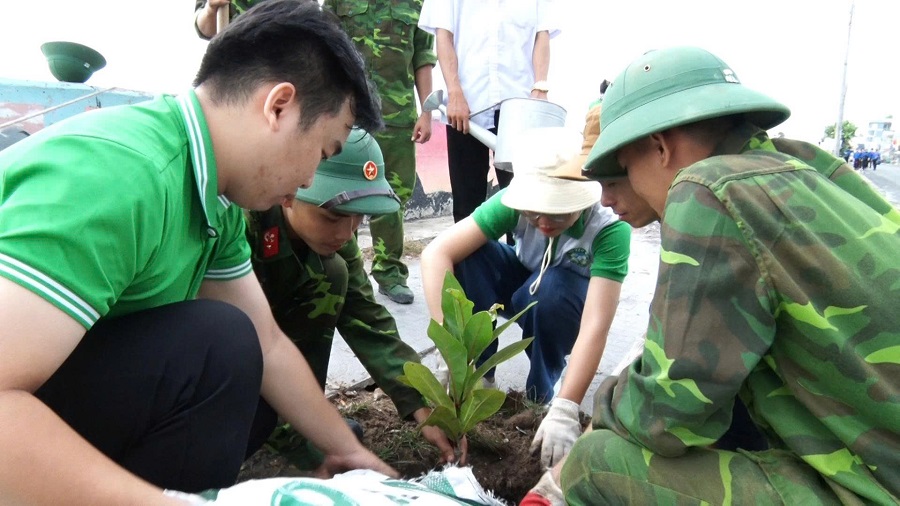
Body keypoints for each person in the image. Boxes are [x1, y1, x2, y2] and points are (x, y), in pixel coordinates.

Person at [0, 2, 396, 504]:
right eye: (323, 152)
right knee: (216, 344)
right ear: (278, 106)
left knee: (236, 366)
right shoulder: (125, 175)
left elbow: (268, 343)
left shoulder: (214, 197)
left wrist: (351, 454)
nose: (309, 180)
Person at [548, 46, 899, 505]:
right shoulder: (811, 166)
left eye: (623, 170)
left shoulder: (707, 189)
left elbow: (667, 419)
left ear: (659, 146)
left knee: (594, 464)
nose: (615, 195)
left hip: (876, 492)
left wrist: (601, 408)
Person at [197, 0, 436, 305]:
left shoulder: (415, 3)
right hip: (329, 107)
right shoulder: (219, 203)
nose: (308, 179)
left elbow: (423, 55)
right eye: (322, 155)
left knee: (383, 204)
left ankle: (389, 270)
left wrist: (426, 111)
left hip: (392, 113)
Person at [245, 129, 458, 464]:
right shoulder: (243, 219)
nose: (346, 233)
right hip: (215, 367)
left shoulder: (336, 243)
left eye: (359, 217)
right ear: (291, 187)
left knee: (333, 276)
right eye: (333, 216)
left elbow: (368, 321)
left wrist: (423, 403)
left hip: (270, 355)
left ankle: (294, 427)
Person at [420, 126, 631, 410]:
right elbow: (436, 254)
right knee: (469, 255)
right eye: (534, 211)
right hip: (521, 280)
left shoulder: (608, 228)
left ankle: (541, 396)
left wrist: (568, 407)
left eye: (558, 211)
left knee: (551, 290)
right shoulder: (511, 202)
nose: (544, 221)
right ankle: (477, 376)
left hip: (566, 302)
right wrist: (447, 342)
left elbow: (596, 324)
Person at [418, 0, 561, 223]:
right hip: (466, 107)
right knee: (467, 207)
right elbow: (443, 35)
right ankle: (473, 259)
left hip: (519, 106)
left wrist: (540, 86)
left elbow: (542, 34)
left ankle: (520, 257)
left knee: (524, 205)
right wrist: (454, 91)